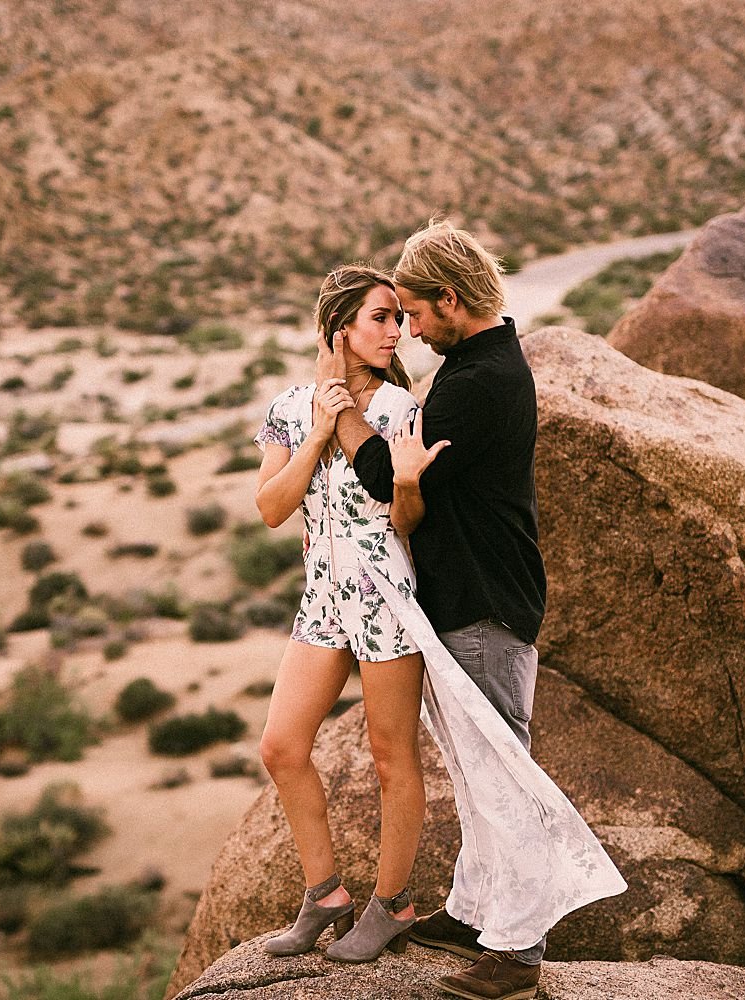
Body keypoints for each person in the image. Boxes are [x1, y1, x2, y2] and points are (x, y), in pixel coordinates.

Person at [325, 220, 626, 1000]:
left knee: (498, 774)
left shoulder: (474, 383)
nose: (412, 330)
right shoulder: (483, 364)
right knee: (476, 771)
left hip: (485, 604)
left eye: (418, 314)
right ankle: (480, 911)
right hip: (480, 598)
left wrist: (340, 409)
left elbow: (381, 473)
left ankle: (519, 954)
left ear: (451, 299)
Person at [253, 263, 428, 963]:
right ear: (338, 329)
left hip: (389, 602)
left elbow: (410, 521)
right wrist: (322, 431)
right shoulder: (289, 409)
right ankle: (325, 895)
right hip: (323, 601)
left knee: (393, 758)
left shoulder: (401, 411)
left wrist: (407, 484)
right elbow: (270, 508)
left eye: (397, 318)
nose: (397, 331)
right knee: (281, 746)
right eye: (381, 318)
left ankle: (394, 905)